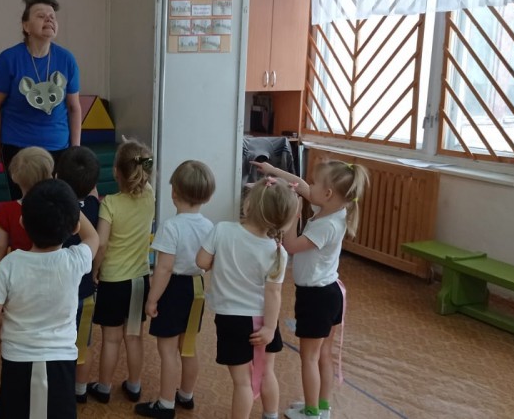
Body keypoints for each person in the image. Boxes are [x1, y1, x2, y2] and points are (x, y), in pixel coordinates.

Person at [253, 160, 369, 419]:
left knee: (309, 358)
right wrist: (273, 170)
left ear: (327, 193)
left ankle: (311, 411)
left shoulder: (327, 225)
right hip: (329, 294)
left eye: (316, 183)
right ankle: (322, 407)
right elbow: (302, 186)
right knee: (323, 355)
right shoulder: (331, 209)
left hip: (316, 298)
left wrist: (293, 216)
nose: (310, 186)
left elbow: (291, 245)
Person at [0, 179, 99, 419]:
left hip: (17, 357)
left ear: (22, 222)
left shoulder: (9, 264)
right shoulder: (74, 260)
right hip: (61, 360)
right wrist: (72, 208)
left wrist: (0, 333)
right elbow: (93, 238)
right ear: (75, 227)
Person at [196, 176, 300, 419]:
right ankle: (271, 415)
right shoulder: (277, 252)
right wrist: (270, 328)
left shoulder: (222, 229)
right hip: (262, 319)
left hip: (230, 319)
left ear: (248, 205)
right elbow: (273, 293)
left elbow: (201, 261)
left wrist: (219, 262)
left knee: (242, 381)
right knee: (266, 372)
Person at [135, 161, 216, 418]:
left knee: (168, 351)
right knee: (188, 347)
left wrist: (152, 300)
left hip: (173, 290)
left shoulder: (171, 226)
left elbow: (164, 269)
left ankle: (166, 403)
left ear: (174, 192)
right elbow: (209, 263)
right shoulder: (209, 226)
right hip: (197, 289)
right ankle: (186, 395)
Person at [0, 0, 82, 200]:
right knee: (24, 204)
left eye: (52, 16)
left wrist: (75, 148)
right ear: (26, 26)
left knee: (55, 204)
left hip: (58, 147)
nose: (49, 19)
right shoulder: (8, 59)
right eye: (41, 15)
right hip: (18, 148)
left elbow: (74, 108)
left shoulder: (67, 59)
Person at [87, 138, 156, 404]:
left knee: (112, 340)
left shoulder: (110, 204)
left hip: (113, 281)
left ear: (115, 171)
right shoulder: (149, 196)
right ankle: (134, 386)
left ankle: (104, 387)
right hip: (139, 280)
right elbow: (141, 170)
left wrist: (95, 271)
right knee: (134, 337)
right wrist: (133, 151)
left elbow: (102, 243)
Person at [53, 145, 101, 402]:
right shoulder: (95, 206)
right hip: (84, 291)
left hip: (56, 292)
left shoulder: (54, 206)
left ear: (57, 178)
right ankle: (80, 390)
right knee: (84, 343)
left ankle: (57, 388)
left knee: (56, 343)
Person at [0, 146, 55, 265]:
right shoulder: (55, 206)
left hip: (19, 267)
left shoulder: (7, 210)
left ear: (14, 177)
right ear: (49, 177)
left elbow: (1, 247)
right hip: (49, 265)